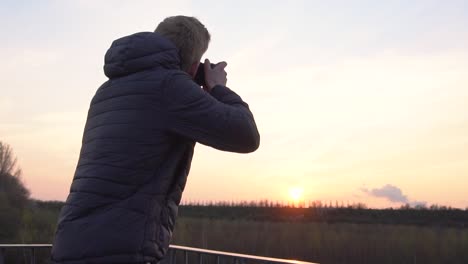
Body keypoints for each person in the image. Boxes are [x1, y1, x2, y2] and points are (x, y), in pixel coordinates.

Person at [51, 16, 260, 264]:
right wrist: (216, 88)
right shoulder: (170, 87)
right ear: (194, 66)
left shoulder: (106, 91)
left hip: (72, 244)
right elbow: (246, 135)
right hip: (119, 249)